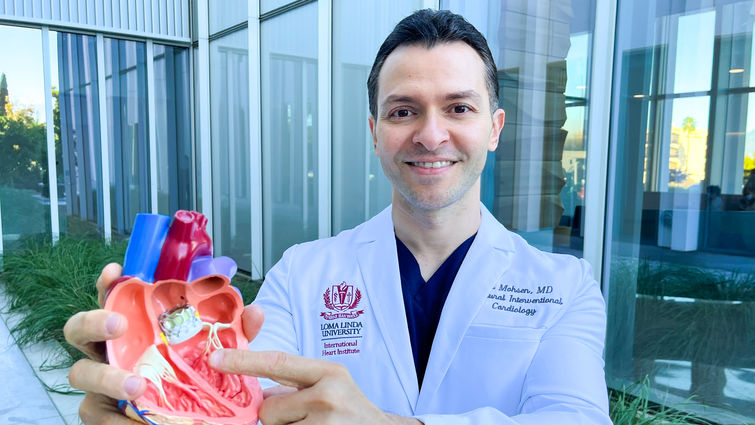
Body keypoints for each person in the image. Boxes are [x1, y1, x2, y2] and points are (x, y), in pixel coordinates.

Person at [64, 9, 611, 424]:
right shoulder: (303, 274)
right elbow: (239, 389)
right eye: (403, 111)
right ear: (375, 133)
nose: (430, 133)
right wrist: (152, 370)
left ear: (494, 128)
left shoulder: (565, 288)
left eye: (458, 107)